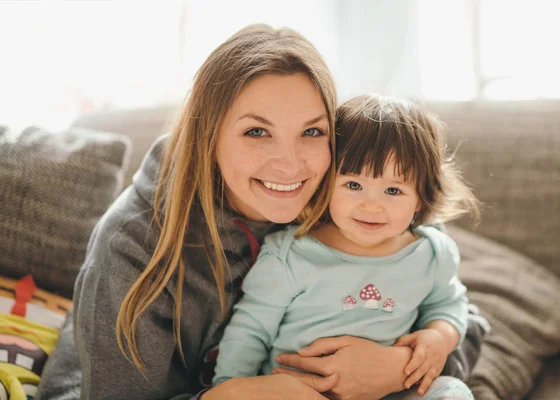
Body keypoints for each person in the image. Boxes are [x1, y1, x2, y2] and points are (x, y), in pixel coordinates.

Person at [37, 25, 487, 400]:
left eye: (312, 131)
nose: (291, 165)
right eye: (257, 131)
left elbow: (463, 320)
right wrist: (232, 394)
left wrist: (396, 368)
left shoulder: (364, 196)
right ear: (207, 136)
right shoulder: (133, 245)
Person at [213, 94, 481, 399]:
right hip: (301, 391)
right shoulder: (290, 255)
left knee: (452, 391)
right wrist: (230, 386)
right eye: (353, 185)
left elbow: (447, 304)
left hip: (392, 391)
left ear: (421, 196)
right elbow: (250, 331)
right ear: (327, 184)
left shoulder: (432, 254)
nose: (371, 205)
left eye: (393, 190)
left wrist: (440, 337)